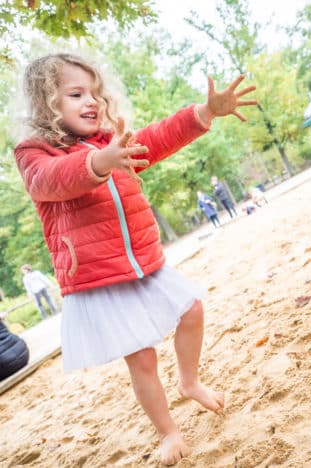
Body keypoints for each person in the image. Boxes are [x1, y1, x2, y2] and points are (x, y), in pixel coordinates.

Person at [14, 53, 257, 465]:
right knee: (142, 358)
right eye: (76, 94)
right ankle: (168, 432)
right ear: (46, 103)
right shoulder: (34, 153)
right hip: (100, 276)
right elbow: (52, 180)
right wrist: (99, 161)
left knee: (192, 309)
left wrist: (204, 112)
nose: (91, 101)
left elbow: (158, 137)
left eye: (95, 93)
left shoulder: (112, 142)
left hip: (143, 261)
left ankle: (189, 381)